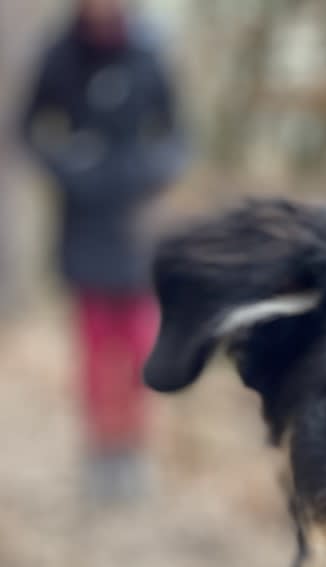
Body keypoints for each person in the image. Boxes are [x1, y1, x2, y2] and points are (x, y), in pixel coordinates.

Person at [18, 0, 188, 502]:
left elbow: (179, 136)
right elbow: (28, 129)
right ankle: (100, 451)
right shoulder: (58, 54)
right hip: (82, 224)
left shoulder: (150, 52)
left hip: (135, 228)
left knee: (139, 344)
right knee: (95, 348)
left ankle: (131, 448)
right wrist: (70, 166)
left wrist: (151, 172)